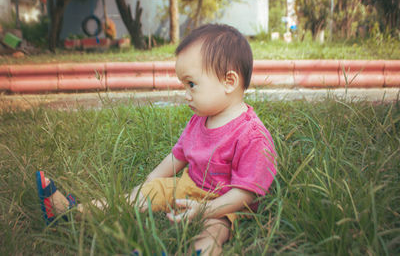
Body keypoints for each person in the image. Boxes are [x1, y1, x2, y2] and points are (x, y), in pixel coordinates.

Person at [36, 24, 277, 256]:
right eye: (184, 85)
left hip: (224, 203)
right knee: (140, 195)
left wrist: (205, 209)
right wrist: (151, 182)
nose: (186, 94)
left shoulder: (252, 135)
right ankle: (72, 213)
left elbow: (247, 193)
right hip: (187, 187)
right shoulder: (199, 119)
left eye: (192, 84)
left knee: (214, 230)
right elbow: (179, 154)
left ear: (229, 81)